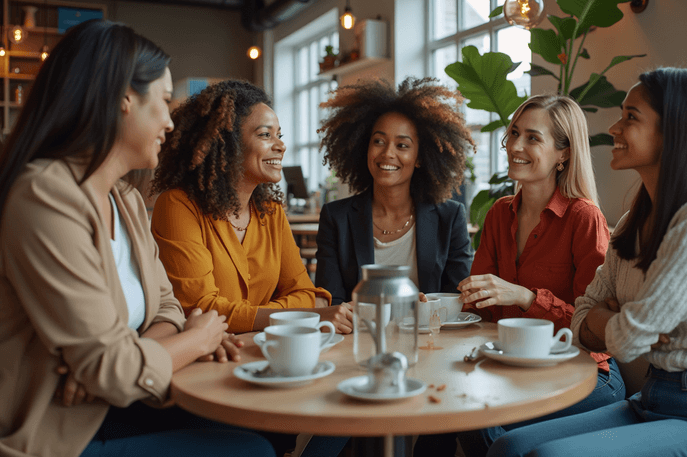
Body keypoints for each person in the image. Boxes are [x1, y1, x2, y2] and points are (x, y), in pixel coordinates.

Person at [0, 20, 278, 457]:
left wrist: (118, 364)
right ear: (123, 98)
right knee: (250, 450)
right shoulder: (45, 196)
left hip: (114, 402)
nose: (170, 121)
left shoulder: (125, 200)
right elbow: (117, 362)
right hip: (59, 431)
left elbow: (166, 308)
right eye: (164, 101)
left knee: (262, 413)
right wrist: (197, 339)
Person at [486, 68, 687, 457]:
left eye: (631, 117)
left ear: (674, 131)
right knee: (507, 447)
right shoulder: (632, 223)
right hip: (653, 399)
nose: (614, 128)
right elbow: (581, 321)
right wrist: (611, 320)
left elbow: (628, 338)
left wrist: (610, 320)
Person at [417, 94, 625, 457]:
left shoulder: (583, 218)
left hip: (586, 375)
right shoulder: (499, 214)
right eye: (514, 133)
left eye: (532, 138)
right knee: (438, 416)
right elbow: (478, 308)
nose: (515, 146)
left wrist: (525, 297)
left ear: (563, 153)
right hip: (515, 366)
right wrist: (436, 308)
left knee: (477, 421)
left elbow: (596, 331)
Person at [150, 80, 352, 335]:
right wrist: (300, 315)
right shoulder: (178, 206)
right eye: (265, 135)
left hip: (267, 348)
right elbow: (202, 308)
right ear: (227, 142)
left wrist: (270, 315)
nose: (280, 146)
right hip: (207, 353)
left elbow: (306, 292)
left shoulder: (271, 211)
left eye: (279, 135)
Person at [314, 77, 475, 306]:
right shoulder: (336, 218)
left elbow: (458, 299)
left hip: (429, 330)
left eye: (402, 145)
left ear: (419, 157)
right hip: (359, 329)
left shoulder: (449, 218)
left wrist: (425, 308)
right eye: (378, 141)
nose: (388, 153)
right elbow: (333, 302)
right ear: (365, 147)